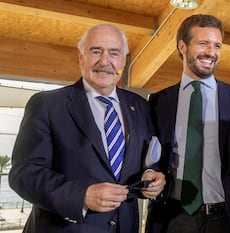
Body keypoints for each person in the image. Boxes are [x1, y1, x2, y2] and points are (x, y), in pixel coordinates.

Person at [8, 24, 165, 233]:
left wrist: (151, 176)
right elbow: (24, 174)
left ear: (123, 61)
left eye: (114, 53)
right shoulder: (47, 105)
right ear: (81, 57)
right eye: (96, 51)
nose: (104, 61)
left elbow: (142, 163)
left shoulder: (140, 106)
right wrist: (82, 196)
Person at [145, 14, 230, 233]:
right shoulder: (159, 101)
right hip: (172, 219)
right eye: (203, 43)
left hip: (225, 219)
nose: (211, 52)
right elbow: (153, 156)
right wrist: (150, 172)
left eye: (217, 45)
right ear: (182, 46)